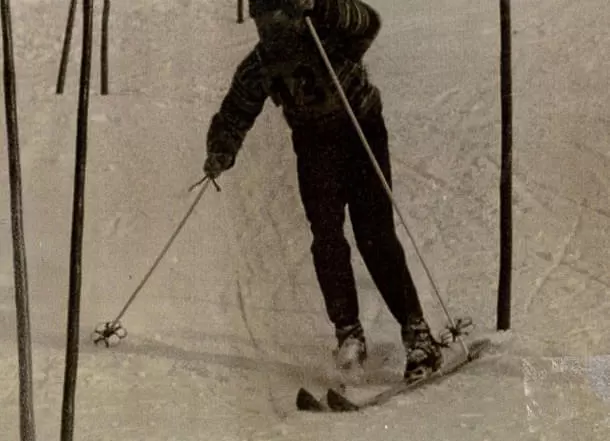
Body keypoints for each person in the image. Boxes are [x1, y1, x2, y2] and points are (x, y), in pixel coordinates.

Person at [203, 0, 442, 381]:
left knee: (374, 235)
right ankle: (348, 333)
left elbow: (369, 22)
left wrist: (323, 7)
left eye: (276, 21)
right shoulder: (261, 63)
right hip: (314, 144)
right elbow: (237, 109)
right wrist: (221, 149)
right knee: (326, 237)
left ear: (294, 15)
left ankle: (417, 334)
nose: (269, 31)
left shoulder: (324, 31)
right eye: (261, 23)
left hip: (359, 130)